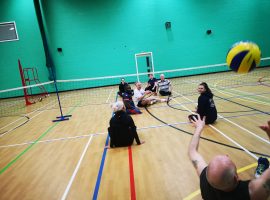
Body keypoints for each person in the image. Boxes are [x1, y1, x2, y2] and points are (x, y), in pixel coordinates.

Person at [188, 114, 270, 200]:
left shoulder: (205, 183)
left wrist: (199, 128)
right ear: (236, 177)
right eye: (228, 159)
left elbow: (192, 151)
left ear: (206, 175)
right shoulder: (253, 193)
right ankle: (259, 175)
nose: (227, 155)